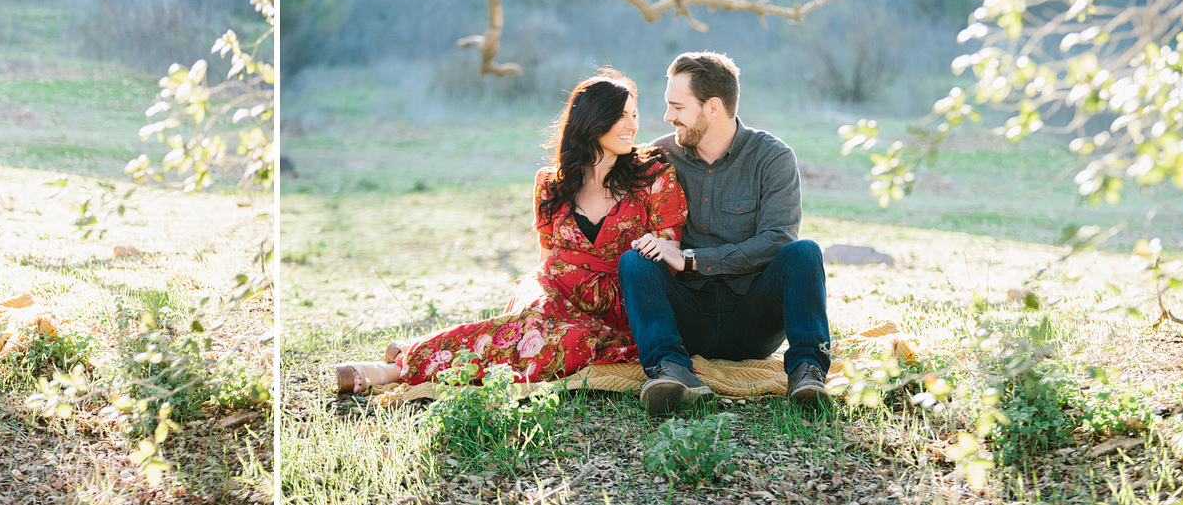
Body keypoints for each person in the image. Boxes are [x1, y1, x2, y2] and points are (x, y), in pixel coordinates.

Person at [332, 69, 688, 393]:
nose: (631, 125)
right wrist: (541, 300)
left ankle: (413, 354)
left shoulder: (654, 177)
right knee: (533, 327)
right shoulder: (551, 184)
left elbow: (665, 255)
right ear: (592, 119)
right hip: (554, 293)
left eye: (634, 115)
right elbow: (547, 259)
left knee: (569, 344)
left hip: (617, 306)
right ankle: (395, 369)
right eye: (620, 115)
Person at [616, 51, 833, 417]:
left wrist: (691, 259)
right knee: (635, 260)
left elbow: (777, 239)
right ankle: (672, 371)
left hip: (752, 317)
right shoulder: (659, 155)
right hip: (686, 316)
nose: (668, 117)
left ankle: (807, 374)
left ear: (712, 107)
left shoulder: (773, 158)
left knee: (804, 252)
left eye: (677, 107)